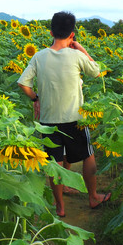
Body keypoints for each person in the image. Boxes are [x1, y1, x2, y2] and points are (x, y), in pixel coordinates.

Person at [17, 11, 111, 217]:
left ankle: (60, 207)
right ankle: (93, 197)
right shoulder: (76, 55)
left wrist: (36, 99)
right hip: (75, 119)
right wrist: (82, 49)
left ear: (51, 32)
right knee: (88, 156)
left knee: (55, 163)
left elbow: (23, 83)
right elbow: (96, 71)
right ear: (72, 34)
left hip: (48, 121)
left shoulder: (39, 56)